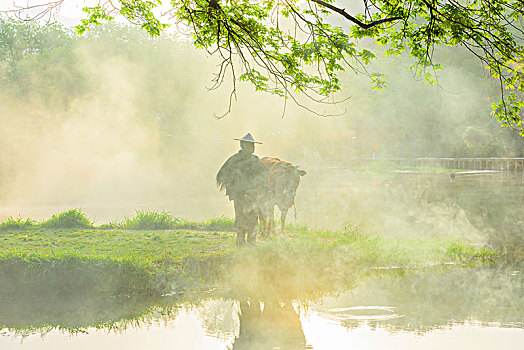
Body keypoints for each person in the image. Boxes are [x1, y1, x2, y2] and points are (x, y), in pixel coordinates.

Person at [216, 133, 269, 246]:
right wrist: (233, 191)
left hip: (254, 195)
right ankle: (240, 239)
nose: (253, 148)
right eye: (250, 145)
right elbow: (224, 176)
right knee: (241, 217)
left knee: (254, 218)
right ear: (243, 146)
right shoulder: (234, 160)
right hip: (240, 195)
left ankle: (251, 241)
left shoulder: (256, 160)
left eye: (253, 146)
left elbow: (264, 176)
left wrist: (266, 190)